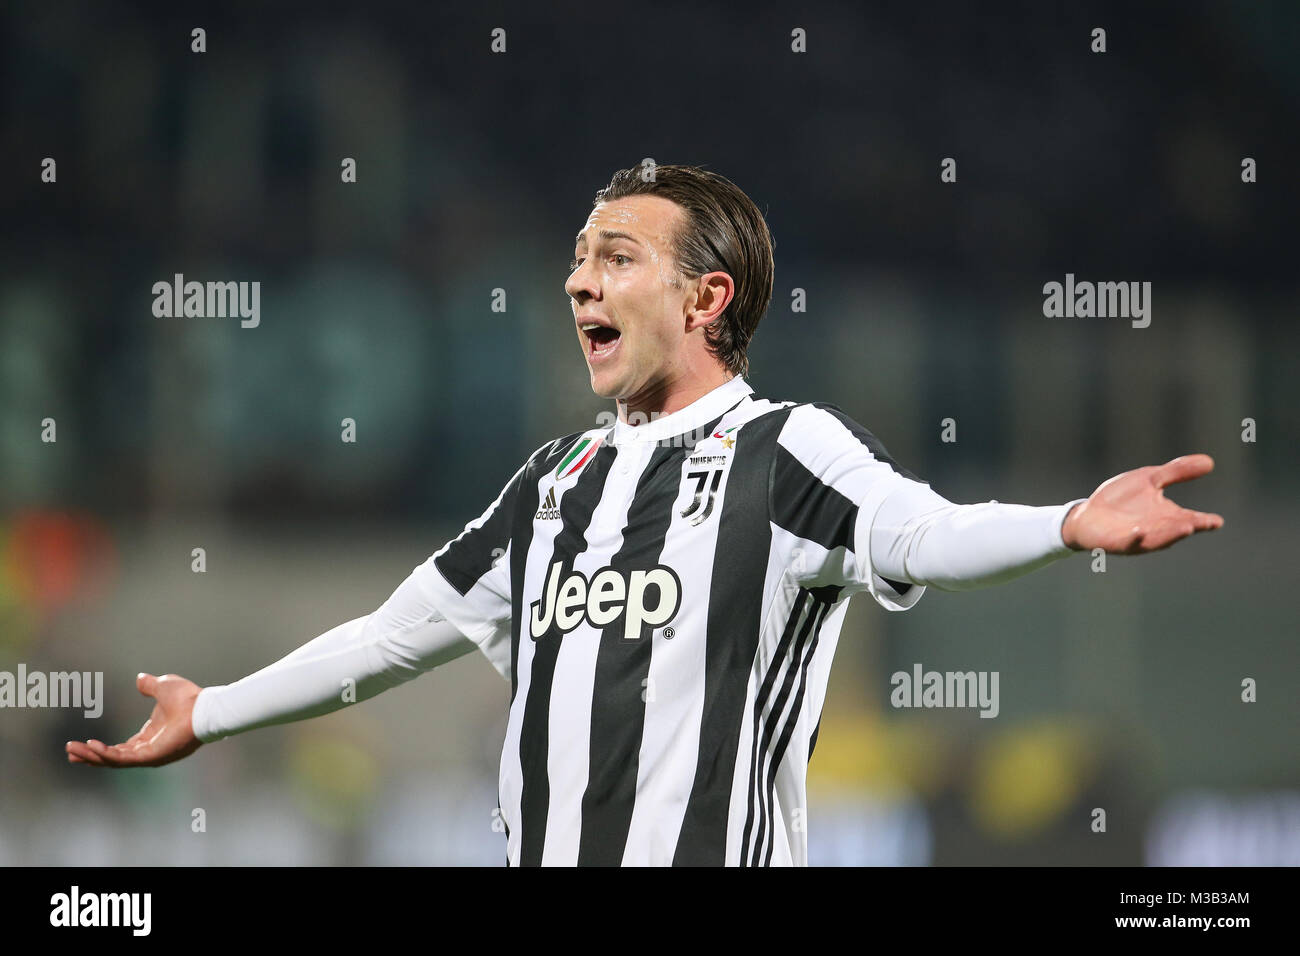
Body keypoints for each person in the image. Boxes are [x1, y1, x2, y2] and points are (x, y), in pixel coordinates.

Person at [67, 163, 1223, 866]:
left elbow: (918, 534)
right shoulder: (553, 479)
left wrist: (1067, 518)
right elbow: (387, 638)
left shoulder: (785, 449)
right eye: (576, 259)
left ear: (705, 296)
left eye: (615, 258)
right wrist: (212, 709)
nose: (578, 282)